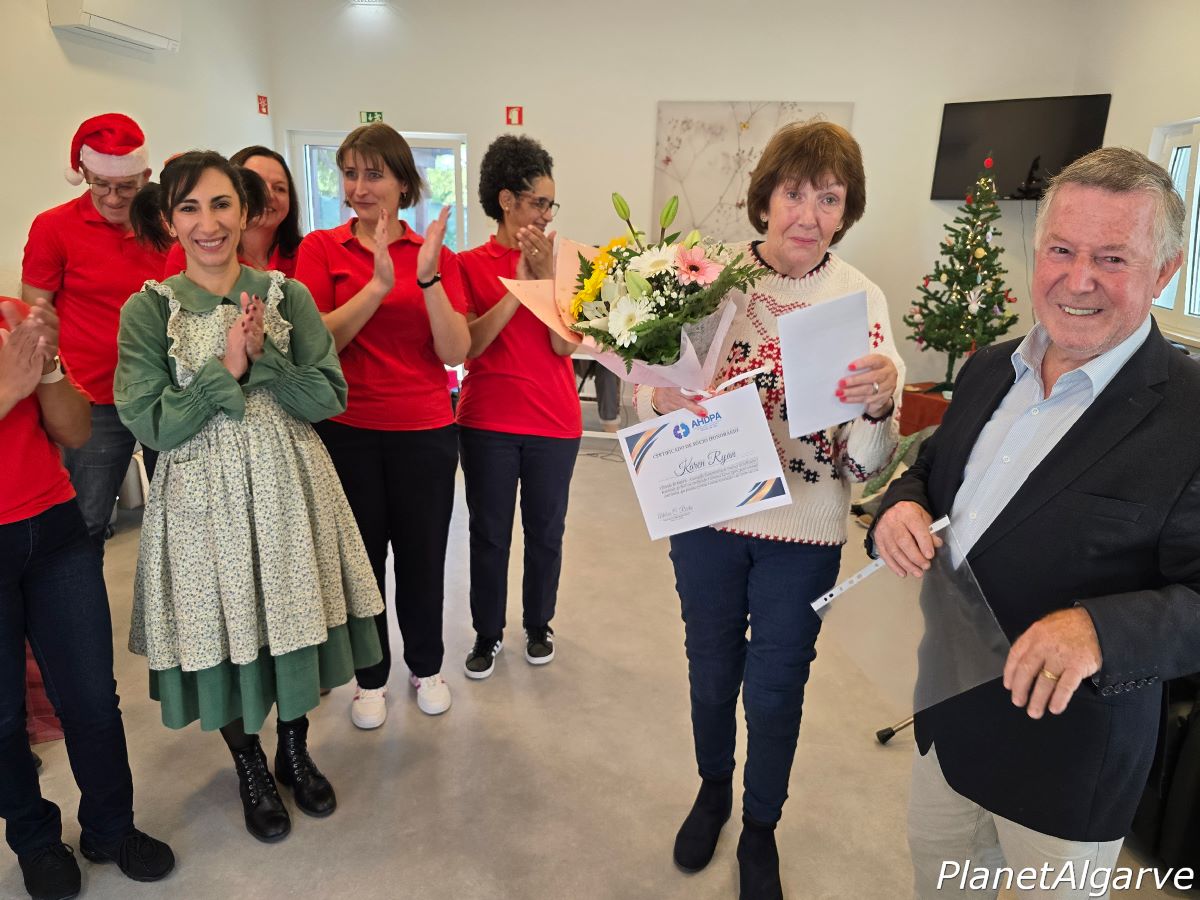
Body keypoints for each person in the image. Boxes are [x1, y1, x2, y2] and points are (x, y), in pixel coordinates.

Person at [870, 147, 1200, 899]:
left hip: (1071, 768)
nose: (1078, 279)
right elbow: (932, 474)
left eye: (1112, 257)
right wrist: (903, 505)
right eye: (1061, 249)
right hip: (947, 727)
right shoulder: (990, 368)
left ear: (1164, 272)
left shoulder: (1192, 415)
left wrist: (1099, 631)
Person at [640, 121, 902, 899]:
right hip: (708, 519)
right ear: (765, 199)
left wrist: (881, 403)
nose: (809, 213)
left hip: (806, 531)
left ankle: (761, 826)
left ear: (846, 210)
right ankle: (713, 789)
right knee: (712, 667)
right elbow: (645, 397)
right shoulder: (707, 280)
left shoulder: (860, 297)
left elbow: (867, 464)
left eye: (830, 197)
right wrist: (659, 395)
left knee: (779, 684)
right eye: (794, 192)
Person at [116, 151, 383, 843]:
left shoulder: (285, 294)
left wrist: (266, 360)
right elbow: (149, 422)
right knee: (225, 626)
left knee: (292, 618)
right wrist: (223, 369)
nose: (209, 224)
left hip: (289, 487)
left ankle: (293, 746)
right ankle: (249, 763)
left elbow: (328, 396)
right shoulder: (150, 310)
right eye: (190, 208)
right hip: (199, 500)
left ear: (247, 209)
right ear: (169, 220)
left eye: (222, 204)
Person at [295, 123, 470, 727]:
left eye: (374, 174)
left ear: (403, 183)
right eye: (350, 172)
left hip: (424, 429)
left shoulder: (436, 255)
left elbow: (455, 350)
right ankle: (370, 679)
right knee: (362, 561)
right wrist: (375, 287)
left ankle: (426, 666)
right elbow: (317, 342)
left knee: (423, 557)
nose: (360, 187)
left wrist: (425, 280)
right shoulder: (320, 250)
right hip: (348, 430)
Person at [1, 298, 174, 899]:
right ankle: (36, 841)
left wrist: (45, 372)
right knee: (3, 716)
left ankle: (110, 828)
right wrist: (7, 388)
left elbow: (74, 429)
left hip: (54, 532)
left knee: (92, 696)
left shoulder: (13, 317)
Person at [454, 135, 580, 679]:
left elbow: (564, 345)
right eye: (538, 203)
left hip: (555, 420)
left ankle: (538, 623)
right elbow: (468, 346)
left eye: (552, 205)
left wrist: (550, 278)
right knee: (489, 534)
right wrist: (518, 288)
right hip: (487, 422)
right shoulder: (466, 264)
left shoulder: (567, 261)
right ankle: (487, 632)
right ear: (507, 201)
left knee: (546, 532)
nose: (547, 215)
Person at [21, 113, 167, 554]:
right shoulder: (53, 227)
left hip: (166, 393)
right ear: (83, 174)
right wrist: (49, 386)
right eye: (100, 184)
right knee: (84, 523)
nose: (113, 197)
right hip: (93, 400)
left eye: (126, 186)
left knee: (183, 516)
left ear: (145, 175)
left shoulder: (165, 224)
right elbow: (36, 313)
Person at [162, 145, 302, 278]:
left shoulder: (308, 253)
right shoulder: (189, 251)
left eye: (280, 188)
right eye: (257, 185)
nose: (268, 195)